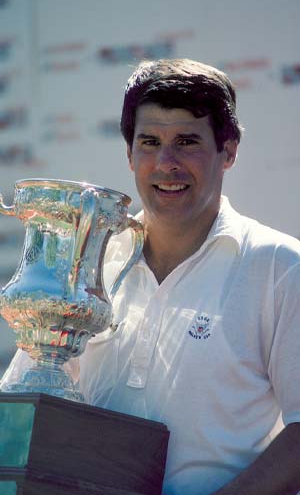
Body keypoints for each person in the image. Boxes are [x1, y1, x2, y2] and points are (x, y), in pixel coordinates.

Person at [2, 59, 300, 494]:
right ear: (128, 154)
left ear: (229, 151)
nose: (166, 163)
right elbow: (20, 400)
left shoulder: (279, 267)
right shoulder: (87, 263)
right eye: (149, 142)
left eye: (186, 141)